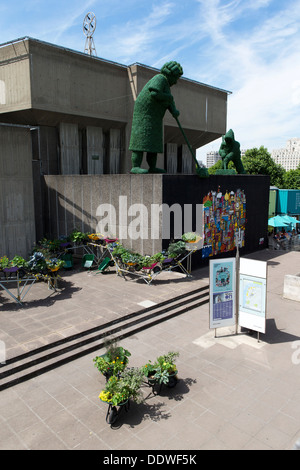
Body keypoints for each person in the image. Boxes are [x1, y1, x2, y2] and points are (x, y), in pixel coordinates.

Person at [129, 61, 183, 174]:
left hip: (155, 118)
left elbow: (169, 101)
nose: (176, 81)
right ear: (170, 75)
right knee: (140, 142)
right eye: (176, 78)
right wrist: (169, 98)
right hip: (144, 116)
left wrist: (174, 110)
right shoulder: (160, 78)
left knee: (153, 144)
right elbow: (155, 93)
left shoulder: (167, 86)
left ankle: (152, 167)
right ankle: (135, 166)